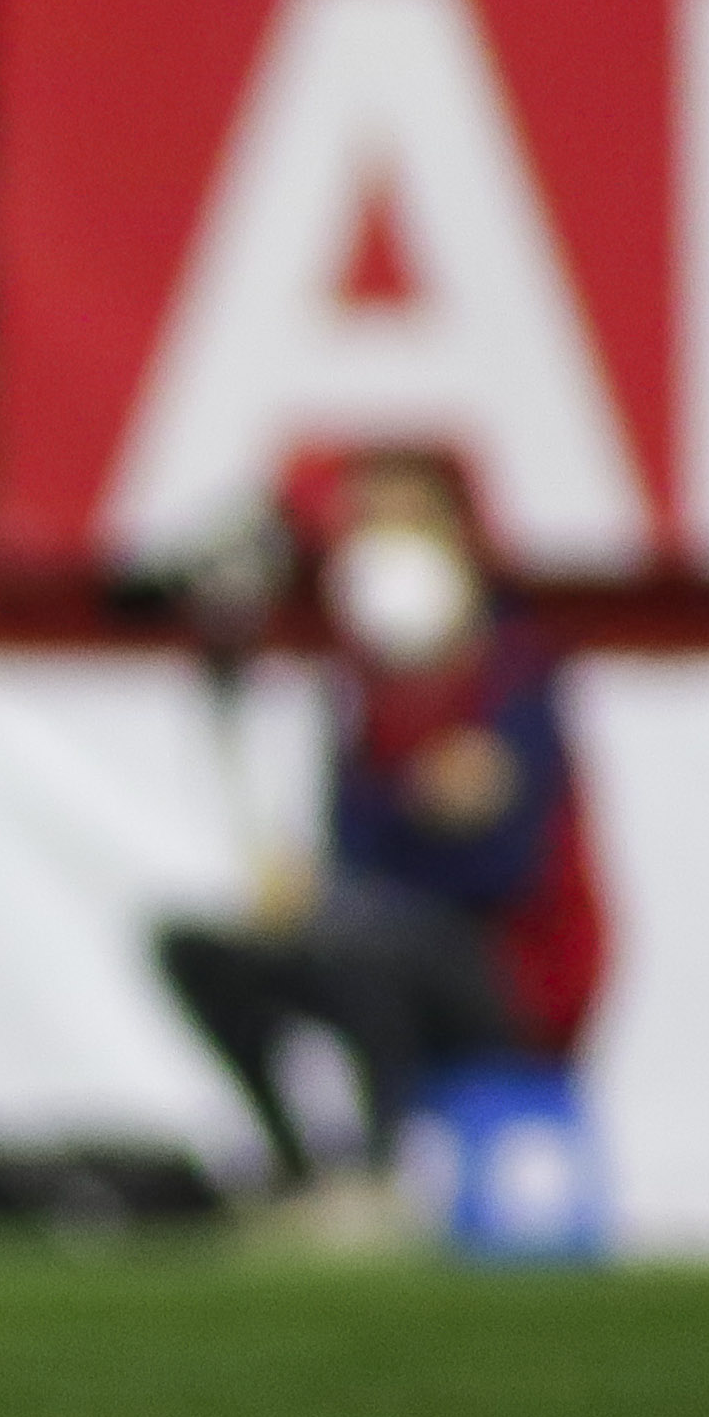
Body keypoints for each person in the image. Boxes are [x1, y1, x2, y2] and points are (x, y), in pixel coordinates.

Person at [158, 453, 572, 1225]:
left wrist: (402, 835)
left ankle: (379, 1180)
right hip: (381, 931)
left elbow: (512, 865)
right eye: (367, 526)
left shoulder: (513, 668)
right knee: (201, 950)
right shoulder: (359, 684)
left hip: (503, 967)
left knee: (368, 942)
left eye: (406, 522)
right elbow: (355, 840)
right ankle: (295, 1168)